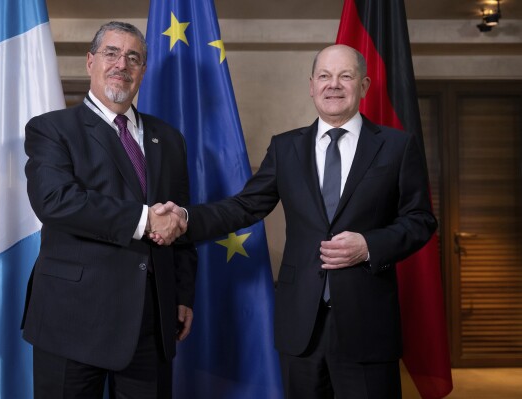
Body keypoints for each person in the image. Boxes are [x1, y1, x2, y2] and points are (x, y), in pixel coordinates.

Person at [152, 44, 437, 399]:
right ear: (312, 85)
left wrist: (369, 246)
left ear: (363, 86)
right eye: (325, 76)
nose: (334, 85)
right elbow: (244, 207)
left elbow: (421, 219)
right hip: (300, 326)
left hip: (368, 324)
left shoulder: (397, 146)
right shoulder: (286, 148)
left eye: (345, 76)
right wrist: (185, 218)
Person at [21, 21, 196, 399]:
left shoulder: (168, 138)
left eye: (133, 57)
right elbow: (55, 201)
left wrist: (181, 294)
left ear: (143, 71)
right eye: (112, 53)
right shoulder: (52, 129)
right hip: (71, 320)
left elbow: (180, 221)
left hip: (150, 322)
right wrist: (143, 218)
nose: (122, 64)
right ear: (90, 62)